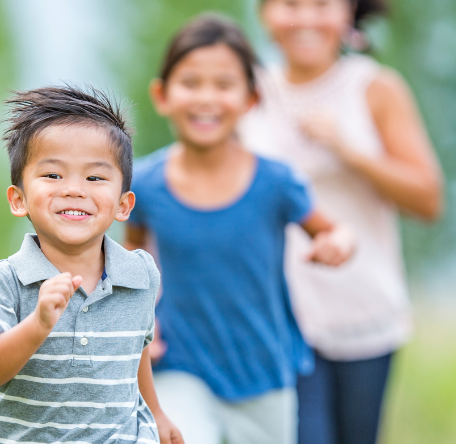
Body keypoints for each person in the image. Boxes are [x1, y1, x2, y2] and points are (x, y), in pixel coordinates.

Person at [124, 14, 355, 444]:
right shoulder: (145, 185)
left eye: (224, 84)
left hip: (264, 374)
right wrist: (142, 320)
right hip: (179, 368)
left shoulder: (276, 182)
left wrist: (337, 244)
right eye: (190, 83)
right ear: (162, 95)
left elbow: (333, 231)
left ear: (251, 99)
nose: (206, 98)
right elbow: (129, 262)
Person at [240, 1, 446, 443]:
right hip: (277, 319)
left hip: (362, 313)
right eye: (290, 4)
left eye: (321, 4)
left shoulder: (374, 87)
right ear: (264, 12)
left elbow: (428, 199)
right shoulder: (245, 91)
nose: (306, 19)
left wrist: (348, 150)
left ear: (349, 12)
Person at [0, 86, 182, 444]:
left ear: (124, 205)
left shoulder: (140, 273)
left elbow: (134, 349)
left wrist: (156, 413)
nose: (74, 190)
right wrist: (38, 324)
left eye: (95, 178)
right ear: (18, 200)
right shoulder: (5, 280)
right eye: (53, 176)